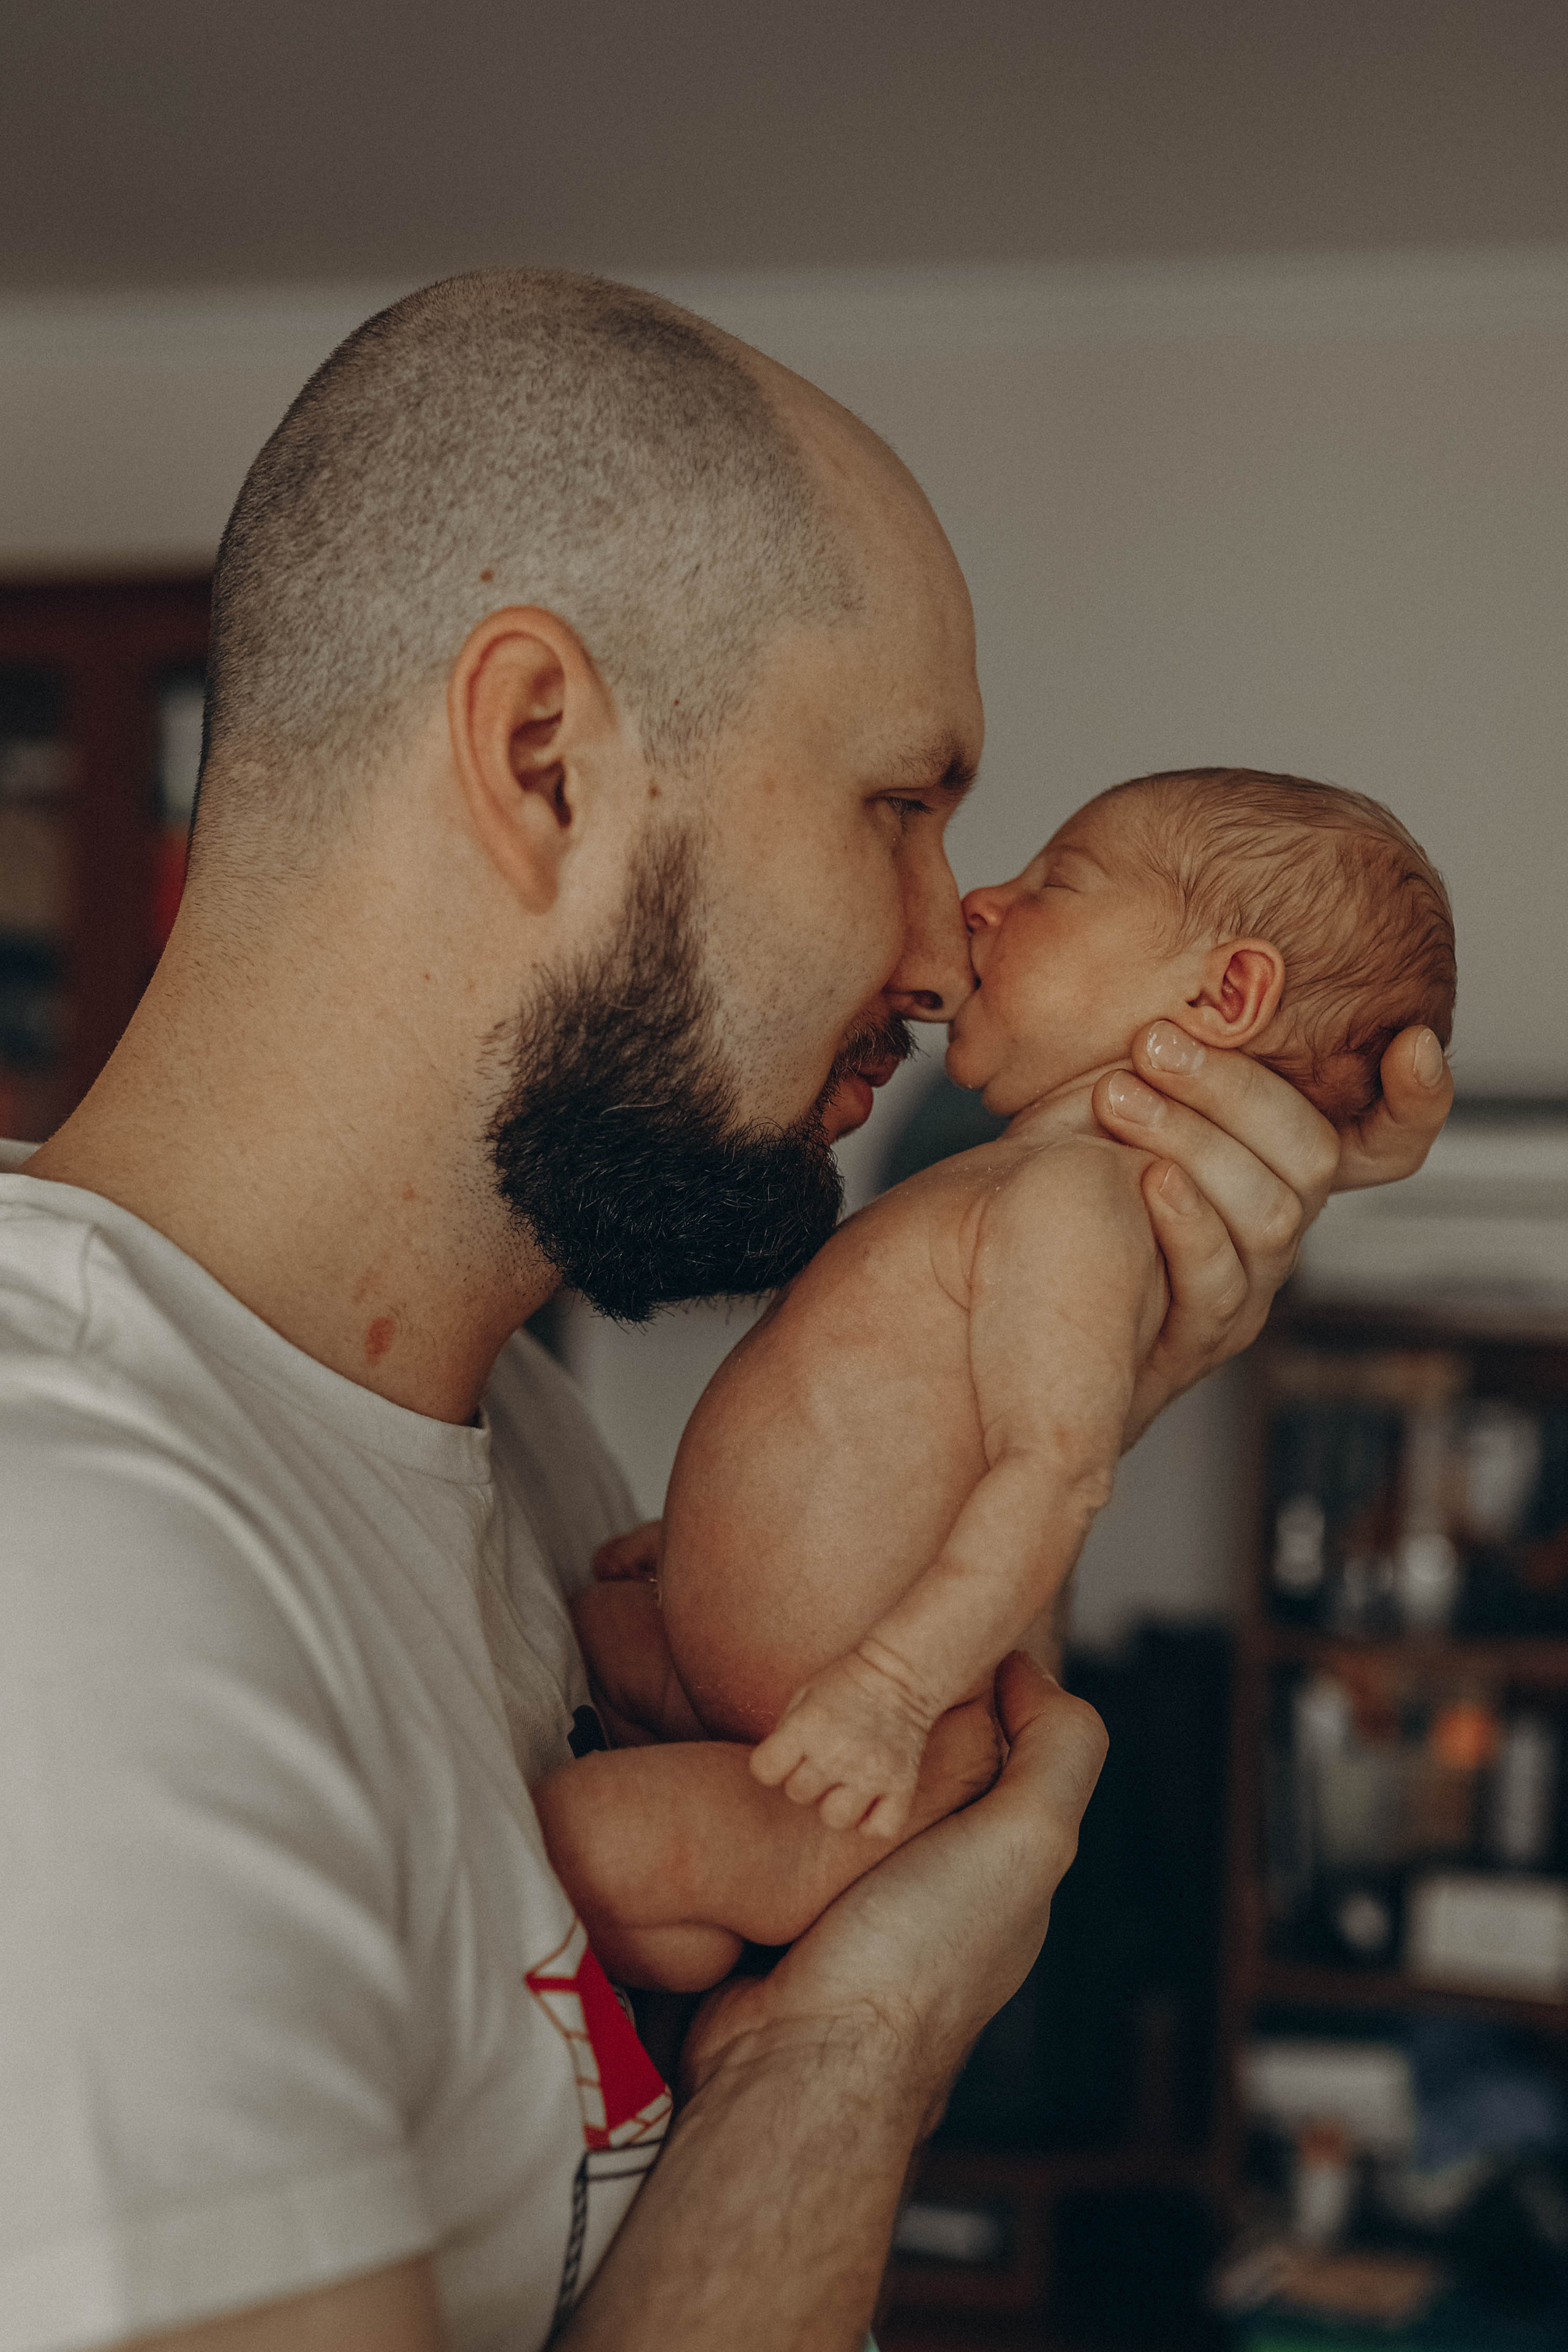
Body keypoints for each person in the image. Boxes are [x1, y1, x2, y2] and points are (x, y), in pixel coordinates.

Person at [0, 273, 1452, 2352]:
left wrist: (830, 2042)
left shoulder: (542, 1463)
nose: (951, 958)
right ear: (545, 760)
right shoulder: (62, 1576)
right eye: (900, 806)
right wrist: (854, 2063)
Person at [535, 767, 1455, 1988]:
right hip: (744, 1686)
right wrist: (721, 1551)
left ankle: (771, 1882)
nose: (978, 901)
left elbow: (1052, 1471)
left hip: (849, 1765)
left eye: (1053, 885)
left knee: (586, 1832)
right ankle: (700, 1927)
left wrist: (890, 1691)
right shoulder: (1010, 1183)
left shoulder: (1075, 1207)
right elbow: (907, 1432)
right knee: (576, 1641)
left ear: (1222, 993)